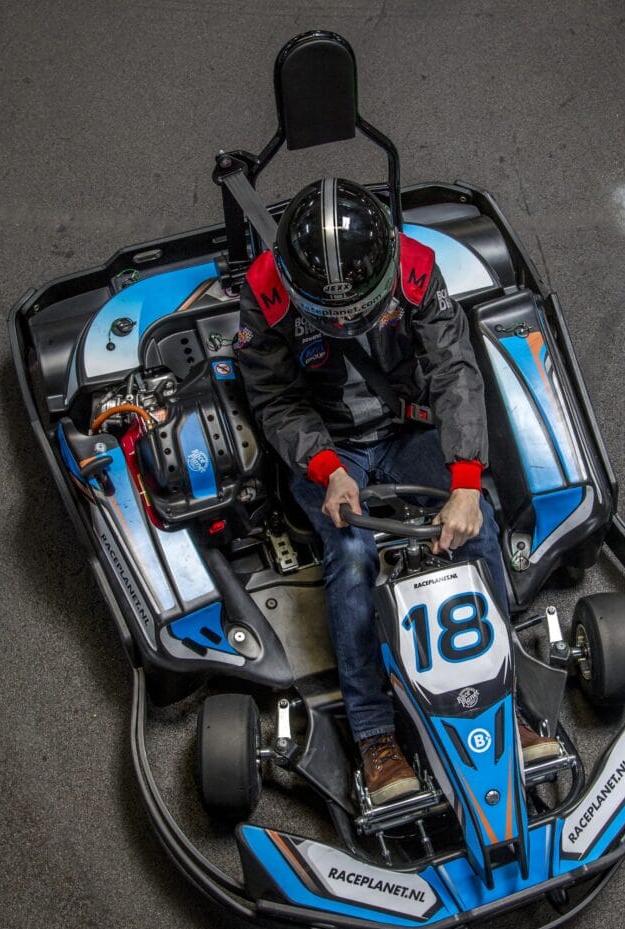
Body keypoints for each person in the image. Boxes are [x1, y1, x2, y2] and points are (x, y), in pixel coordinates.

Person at [236, 178, 559, 805]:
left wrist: (465, 481)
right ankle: (376, 736)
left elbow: (454, 370)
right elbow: (273, 397)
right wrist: (328, 468)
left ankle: (506, 704)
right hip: (330, 451)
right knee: (351, 553)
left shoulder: (415, 269)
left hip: (408, 428)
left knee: (479, 525)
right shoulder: (266, 295)